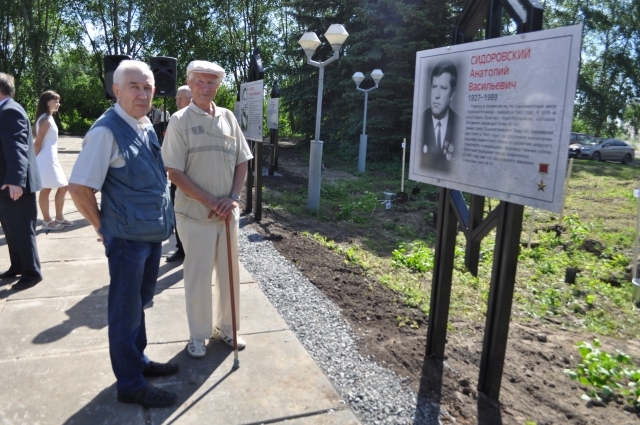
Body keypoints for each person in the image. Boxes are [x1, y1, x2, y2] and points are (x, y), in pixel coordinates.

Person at [68, 60, 178, 408]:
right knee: (124, 310)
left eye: (148, 87)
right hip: (127, 240)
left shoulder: (144, 123)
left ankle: (138, 362)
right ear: (116, 90)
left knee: (138, 305)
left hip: (148, 235)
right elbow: (79, 188)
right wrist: (103, 227)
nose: (143, 93)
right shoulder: (106, 131)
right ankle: (129, 383)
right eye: (134, 86)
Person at [162, 60, 253, 359]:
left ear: (218, 85)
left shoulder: (228, 117)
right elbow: (174, 172)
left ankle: (229, 328)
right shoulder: (179, 121)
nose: (205, 87)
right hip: (195, 215)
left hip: (228, 215)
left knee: (229, 275)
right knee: (198, 276)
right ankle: (198, 335)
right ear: (190, 83)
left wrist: (233, 197)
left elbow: (242, 160)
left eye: (211, 81)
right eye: (199, 81)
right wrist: (212, 201)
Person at [0, 72, 43, 291]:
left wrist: (16, 180)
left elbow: (17, 149)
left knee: (22, 230)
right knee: (10, 229)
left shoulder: (9, 111)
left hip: (15, 185)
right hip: (7, 183)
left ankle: (31, 272)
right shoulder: (5, 110)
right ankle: (17, 266)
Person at [34, 90, 73, 231]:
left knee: (63, 187)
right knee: (46, 190)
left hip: (50, 159)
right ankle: (47, 220)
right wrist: (31, 162)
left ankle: (59, 217)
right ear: (47, 103)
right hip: (46, 160)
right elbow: (37, 143)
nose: (58, 104)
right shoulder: (46, 120)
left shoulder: (46, 118)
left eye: (58, 101)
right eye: (55, 101)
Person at [165, 85, 193, 263]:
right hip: (177, 177)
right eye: (176, 98)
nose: (176, 101)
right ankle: (181, 249)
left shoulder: (199, 120)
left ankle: (191, 250)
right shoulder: (176, 119)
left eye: (180, 98)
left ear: (191, 99)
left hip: (194, 177)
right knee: (177, 214)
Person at [421, 59, 459, 172]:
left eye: (443, 88)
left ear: (452, 93)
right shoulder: (421, 121)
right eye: (434, 87)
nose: (436, 95)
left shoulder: (459, 124)